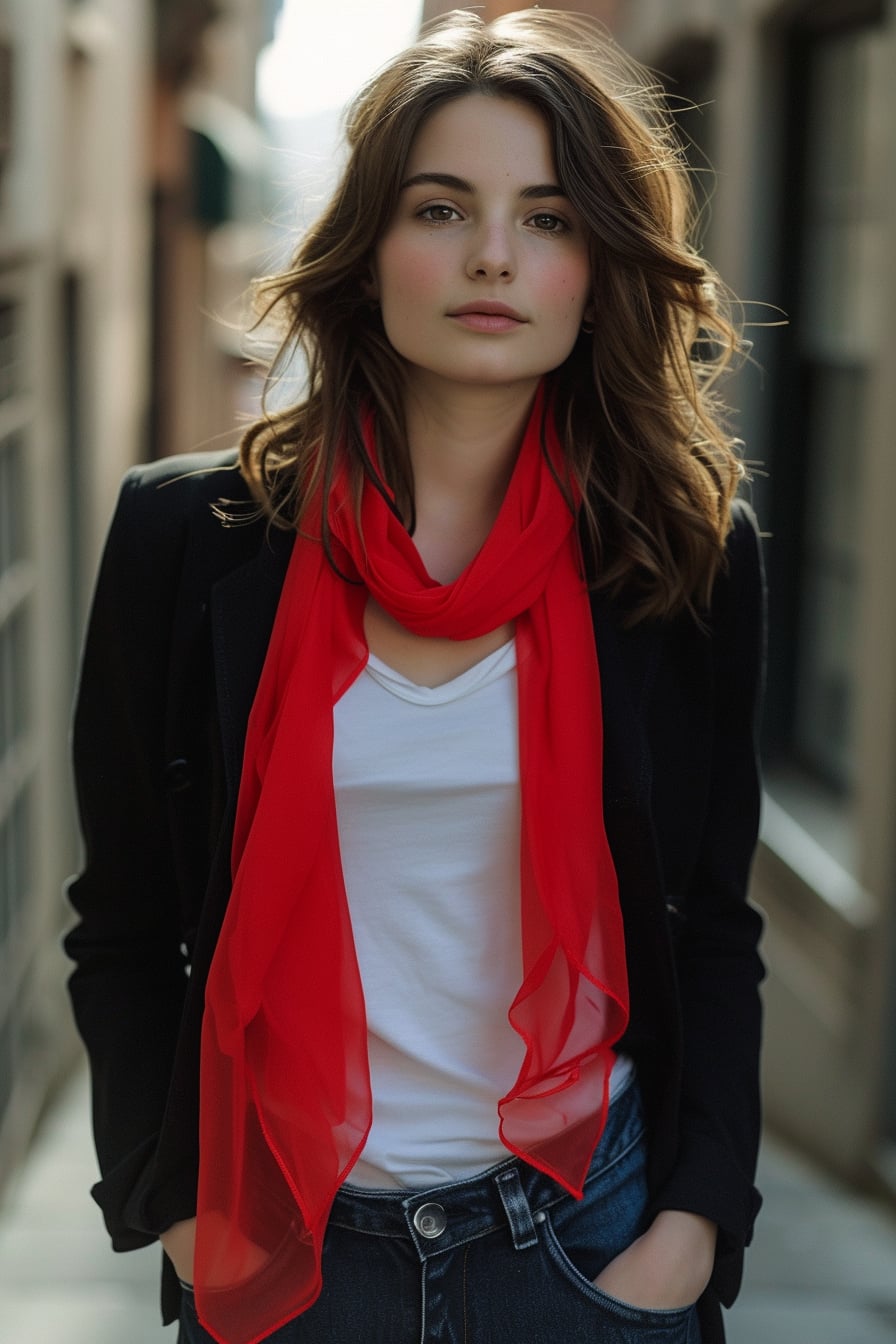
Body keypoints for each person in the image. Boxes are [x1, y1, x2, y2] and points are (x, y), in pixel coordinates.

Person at [64, 10, 766, 1344]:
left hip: (587, 1251)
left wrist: (693, 1228)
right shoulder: (186, 542)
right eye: (443, 208)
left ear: (603, 269)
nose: (494, 254)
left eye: (551, 219)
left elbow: (711, 926)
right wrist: (177, 1218)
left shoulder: (683, 556)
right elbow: (124, 924)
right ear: (368, 250)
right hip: (286, 1258)